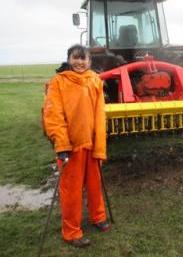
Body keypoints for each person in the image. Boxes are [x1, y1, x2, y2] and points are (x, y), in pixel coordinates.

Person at [42, 44, 110, 247]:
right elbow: (53, 115)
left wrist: (100, 143)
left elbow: (99, 114)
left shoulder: (95, 80)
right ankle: (71, 232)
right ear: (69, 60)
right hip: (71, 146)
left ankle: (97, 217)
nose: (80, 62)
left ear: (90, 61)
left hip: (92, 143)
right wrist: (61, 144)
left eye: (84, 58)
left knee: (95, 184)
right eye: (76, 58)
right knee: (71, 190)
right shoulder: (58, 82)